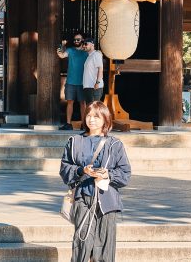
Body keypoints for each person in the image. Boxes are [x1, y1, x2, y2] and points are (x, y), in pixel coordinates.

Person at [59, 101, 131, 262]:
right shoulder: (74, 142)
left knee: (104, 247)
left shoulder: (115, 144)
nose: (91, 120)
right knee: (82, 242)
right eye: (89, 115)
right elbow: (64, 169)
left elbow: (125, 173)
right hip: (83, 197)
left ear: (105, 119)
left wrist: (107, 174)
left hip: (107, 201)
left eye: (96, 116)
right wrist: (81, 170)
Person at [57, 33, 88, 130]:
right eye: (75, 39)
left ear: (82, 40)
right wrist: (61, 46)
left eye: (78, 39)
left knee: (83, 103)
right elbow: (62, 55)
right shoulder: (70, 50)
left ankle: (84, 124)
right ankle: (68, 124)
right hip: (70, 81)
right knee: (70, 102)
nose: (76, 41)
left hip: (83, 82)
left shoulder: (87, 52)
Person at [81, 36, 104, 105]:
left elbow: (100, 68)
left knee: (94, 108)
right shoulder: (89, 56)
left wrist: (97, 82)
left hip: (94, 87)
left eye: (86, 44)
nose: (84, 46)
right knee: (90, 107)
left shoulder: (96, 54)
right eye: (83, 44)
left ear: (92, 44)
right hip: (88, 87)